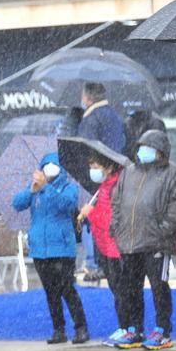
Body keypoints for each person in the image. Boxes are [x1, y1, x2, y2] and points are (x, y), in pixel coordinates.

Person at [108, 130, 176, 350]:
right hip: (130, 242)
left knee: (159, 288)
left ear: (160, 151)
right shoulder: (129, 172)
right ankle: (135, 328)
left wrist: (161, 232)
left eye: (148, 147)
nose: (143, 150)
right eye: (141, 146)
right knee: (131, 288)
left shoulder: (174, 174)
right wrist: (118, 228)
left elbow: (175, 210)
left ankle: (162, 330)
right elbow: (117, 203)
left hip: (156, 244)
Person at [12, 152, 89, 344]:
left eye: (53, 165)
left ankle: (81, 327)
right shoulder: (35, 189)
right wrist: (31, 190)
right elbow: (17, 203)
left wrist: (47, 188)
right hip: (40, 249)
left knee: (67, 289)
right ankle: (59, 329)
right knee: (51, 291)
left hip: (62, 249)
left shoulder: (68, 188)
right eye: (46, 165)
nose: (49, 168)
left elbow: (66, 206)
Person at [77, 83, 127, 282]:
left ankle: (94, 263)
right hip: (117, 175)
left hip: (96, 179)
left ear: (88, 97)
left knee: (92, 218)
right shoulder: (116, 117)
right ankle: (109, 257)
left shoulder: (90, 120)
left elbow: (84, 152)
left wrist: (87, 173)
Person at [78, 153, 128, 346]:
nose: (93, 170)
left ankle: (128, 328)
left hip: (116, 248)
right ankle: (123, 327)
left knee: (122, 292)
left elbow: (109, 221)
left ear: (107, 167)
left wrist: (91, 213)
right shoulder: (104, 186)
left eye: (96, 165)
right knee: (116, 291)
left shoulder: (116, 186)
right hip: (105, 247)